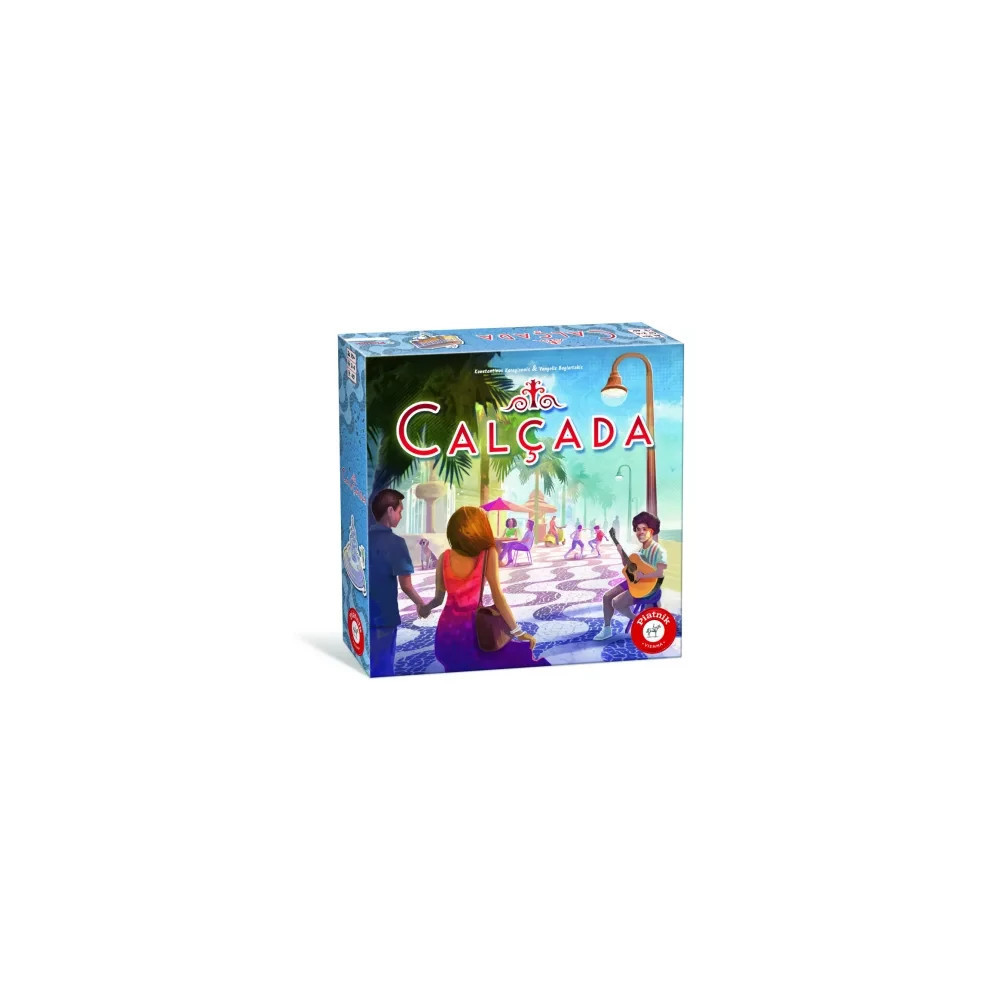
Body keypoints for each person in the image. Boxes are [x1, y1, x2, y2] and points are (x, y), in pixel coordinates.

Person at [420, 506, 549, 670]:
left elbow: (438, 599)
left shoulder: (444, 557)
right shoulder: (487, 554)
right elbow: (498, 596)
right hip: (474, 631)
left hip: (447, 631)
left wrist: (425, 608)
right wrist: (518, 632)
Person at [368, 488, 427, 676]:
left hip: (362, 613)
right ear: (390, 511)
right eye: (400, 511)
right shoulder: (396, 543)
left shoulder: (364, 538)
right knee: (383, 667)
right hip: (384, 617)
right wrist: (421, 604)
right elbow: (406, 585)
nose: (401, 516)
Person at [596, 511, 668, 641]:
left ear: (651, 531)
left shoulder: (658, 550)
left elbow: (660, 573)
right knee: (607, 597)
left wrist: (643, 576)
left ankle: (640, 621)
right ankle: (607, 629)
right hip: (635, 581)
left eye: (644, 529)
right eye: (638, 529)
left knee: (616, 603)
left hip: (649, 587)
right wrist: (620, 552)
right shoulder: (640, 550)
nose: (640, 532)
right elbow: (629, 567)